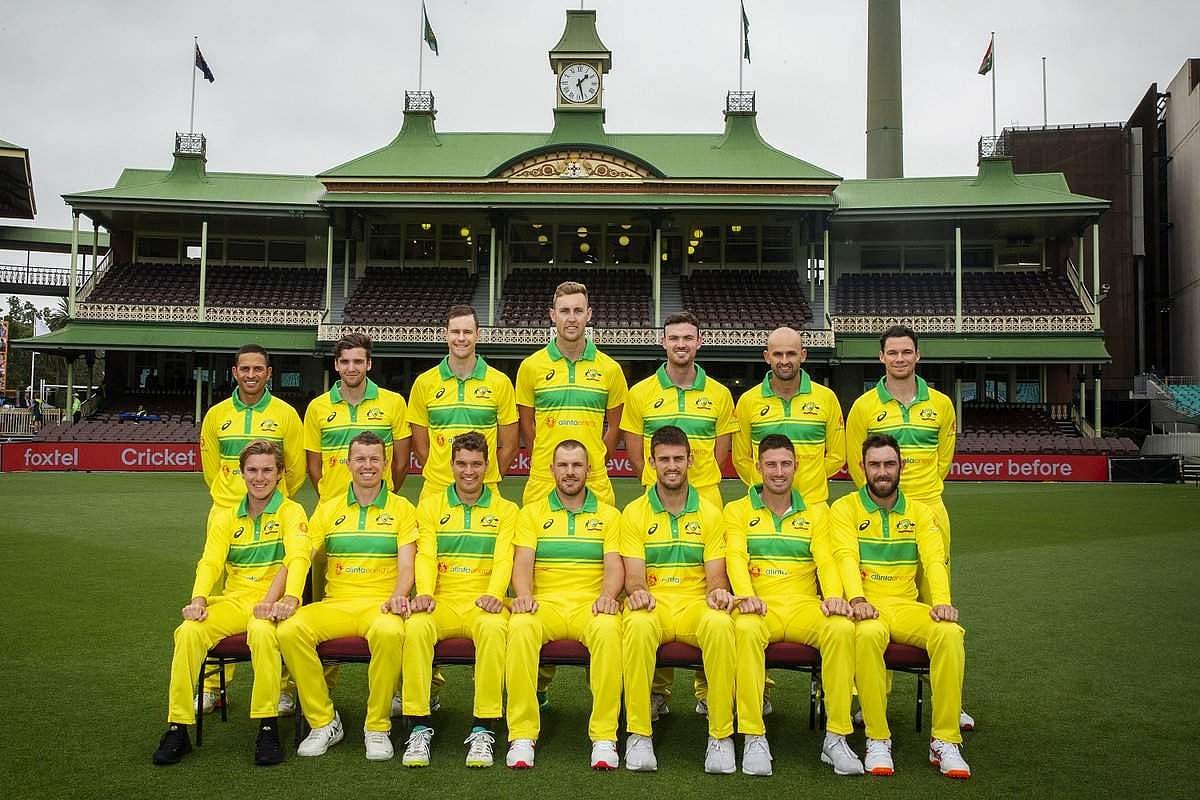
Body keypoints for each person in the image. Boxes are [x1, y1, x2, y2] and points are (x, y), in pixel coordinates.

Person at [844, 325, 973, 730]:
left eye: (906, 352)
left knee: (937, 605)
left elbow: (944, 459)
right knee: (875, 602)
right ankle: (871, 698)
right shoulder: (864, 406)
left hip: (928, 508)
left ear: (918, 355)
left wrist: (919, 497)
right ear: (881, 357)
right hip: (879, 512)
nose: (899, 359)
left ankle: (948, 699)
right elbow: (856, 463)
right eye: (892, 352)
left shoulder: (941, 404)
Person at [151, 441, 309, 766]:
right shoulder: (225, 516)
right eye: (252, 470)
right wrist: (198, 599)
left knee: (262, 633)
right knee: (188, 631)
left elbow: (298, 557)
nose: (259, 477)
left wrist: (289, 599)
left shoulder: (291, 512)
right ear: (242, 473)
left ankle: (267, 726)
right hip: (234, 601)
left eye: (267, 470)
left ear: (280, 473)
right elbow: (210, 561)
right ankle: (178, 727)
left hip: (271, 606)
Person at [620, 310, 737, 721]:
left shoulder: (719, 394)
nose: (681, 344)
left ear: (699, 342)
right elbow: (636, 451)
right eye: (674, 338)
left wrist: (697, 483)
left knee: (710, 593)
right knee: (655, 590)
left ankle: (709, 691)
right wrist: (658, 479)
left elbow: (721, 451)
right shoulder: (641, 393)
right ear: (664, 342)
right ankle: (656, 691)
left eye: (688, 338)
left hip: (706, 502)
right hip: (657, 502)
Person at [832, 434, 971, 779]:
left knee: (950, 634)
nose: (882, 472)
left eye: (889, 464)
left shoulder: (921, 513)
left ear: (901, 467)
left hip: (906, 606)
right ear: (862, 467)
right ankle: (877, 738)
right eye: (875, 465)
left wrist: (942, 602)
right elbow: (845, 556)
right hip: (867, 607)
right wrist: (857, 599)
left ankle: (945, 740)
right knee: (866, 636)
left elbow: (934, 559)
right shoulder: (845, 508)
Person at [726, 434, 862, 776]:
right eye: (771, 464)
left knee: (841, 628)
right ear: (758, 467)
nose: (778, 472)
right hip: (760, 606)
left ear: (796, 467)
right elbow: (736, 557)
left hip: (804, 606)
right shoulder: (736, 510)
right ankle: (754, 735)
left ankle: (836, 737)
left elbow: (825, 560)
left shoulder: (817, 513)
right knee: (744, 628)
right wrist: (746, 595)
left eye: (785, 464)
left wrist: (834, 596)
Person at [277, 431, 416, 761]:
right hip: (336, 603)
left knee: (391, 632)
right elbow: (301, 555)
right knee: (289, 630)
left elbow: (408, 565)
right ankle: (324, 721)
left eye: (374, 459)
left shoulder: (403, 509)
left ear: (385, 464)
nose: (367, 465)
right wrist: (290, 596)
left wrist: (398, 596)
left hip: (380, 604)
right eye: (360, 459)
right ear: (348, 464)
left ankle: (377, 726)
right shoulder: (328, 509)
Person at [620, 425, 736, 774]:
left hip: (694, 605)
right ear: (651, 462)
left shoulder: (711, 513)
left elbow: (716, 575)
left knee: (720, 624)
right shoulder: (634, 512)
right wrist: (638, 592)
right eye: (664, 459)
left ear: (690, 460)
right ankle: (639, 733)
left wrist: (717, 592)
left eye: (678, 458)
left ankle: (721, 735)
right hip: (653, 604)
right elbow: (634, 575)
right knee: (637, 625)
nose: (672, 466)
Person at [400, 431, 518, 768]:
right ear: (451, 465)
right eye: (462, 464)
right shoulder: (430, 506)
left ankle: (484, 726)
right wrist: (425, 592)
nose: (469, 471)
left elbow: (503, 558)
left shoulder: (506, 510)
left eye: (476, 464)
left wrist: (495, 595)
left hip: (484, 601)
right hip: (443, 600)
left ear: (487, 466)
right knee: (416, 627)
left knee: (494, 630)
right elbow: (426, 555)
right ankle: (418, 725)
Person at [504, 438, 625, 770]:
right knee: (520, 626)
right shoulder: (531, 513)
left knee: (609, 630)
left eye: (576, 465)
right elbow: (522, 563)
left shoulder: (610, 515)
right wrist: (524, 595)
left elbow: (614, 566)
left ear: (589, 469)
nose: (570, 472)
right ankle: (522, 734)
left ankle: (604, 736)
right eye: (563, 465)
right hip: (546, 605)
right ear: (552, 469)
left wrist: (608, 596)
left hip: (591, 605)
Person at [197, 343, 305, 713]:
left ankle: (283, 687)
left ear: (269, 373)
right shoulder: (216, 415)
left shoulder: (286, 414)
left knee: (284, 597)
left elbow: (295, 469)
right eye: (245, 369)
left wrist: (272, 501)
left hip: (275, 514)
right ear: (234, 372)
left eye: (258, 369)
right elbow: (211, 468)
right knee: (220, 598)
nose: (251, 375)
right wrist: (232, 501)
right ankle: (214, 687)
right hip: (227, 513)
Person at [515, 281, 627, 506]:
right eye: (564, 311)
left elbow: (617, 427)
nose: (572, 318)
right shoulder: (530, 367)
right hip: (543, 480)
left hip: (594, 481)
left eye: (578, 311)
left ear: (589, 314)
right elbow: (525, 425)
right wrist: (543, 459)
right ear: (553, 315)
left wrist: (596, 459)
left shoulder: (610, 369)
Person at [408, 305, 518, 503]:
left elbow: (510, 446)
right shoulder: (424, 383)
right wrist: (441, 477)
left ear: (478, 335)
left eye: (467, 332)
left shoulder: (500, 382)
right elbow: (420, 447)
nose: (461, 338)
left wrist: (482, 479)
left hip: (486, 490)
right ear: (445, 335)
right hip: (436, 491)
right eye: (455, 332)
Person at [733, 326, 846, 505]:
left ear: (803, 355)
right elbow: (740, 459)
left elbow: (837, 456)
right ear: (767, 357)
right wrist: (770, 484)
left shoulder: (826, 398)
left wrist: (809, 479)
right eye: (778, 354)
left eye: (791, 354)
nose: (784, 361)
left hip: (813, 503)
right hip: (764, 505)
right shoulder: (748, 401)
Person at [304, 331, 412, 502]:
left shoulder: (394, 402)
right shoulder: (317, 407)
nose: (351, 368)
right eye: (345, 362)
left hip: (380, 506)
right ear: (336, 364)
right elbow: (314, 467)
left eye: (358, 361)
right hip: (332, 506)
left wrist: (385, 496)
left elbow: (401, 463)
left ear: (369, 364)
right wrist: (330, 500)